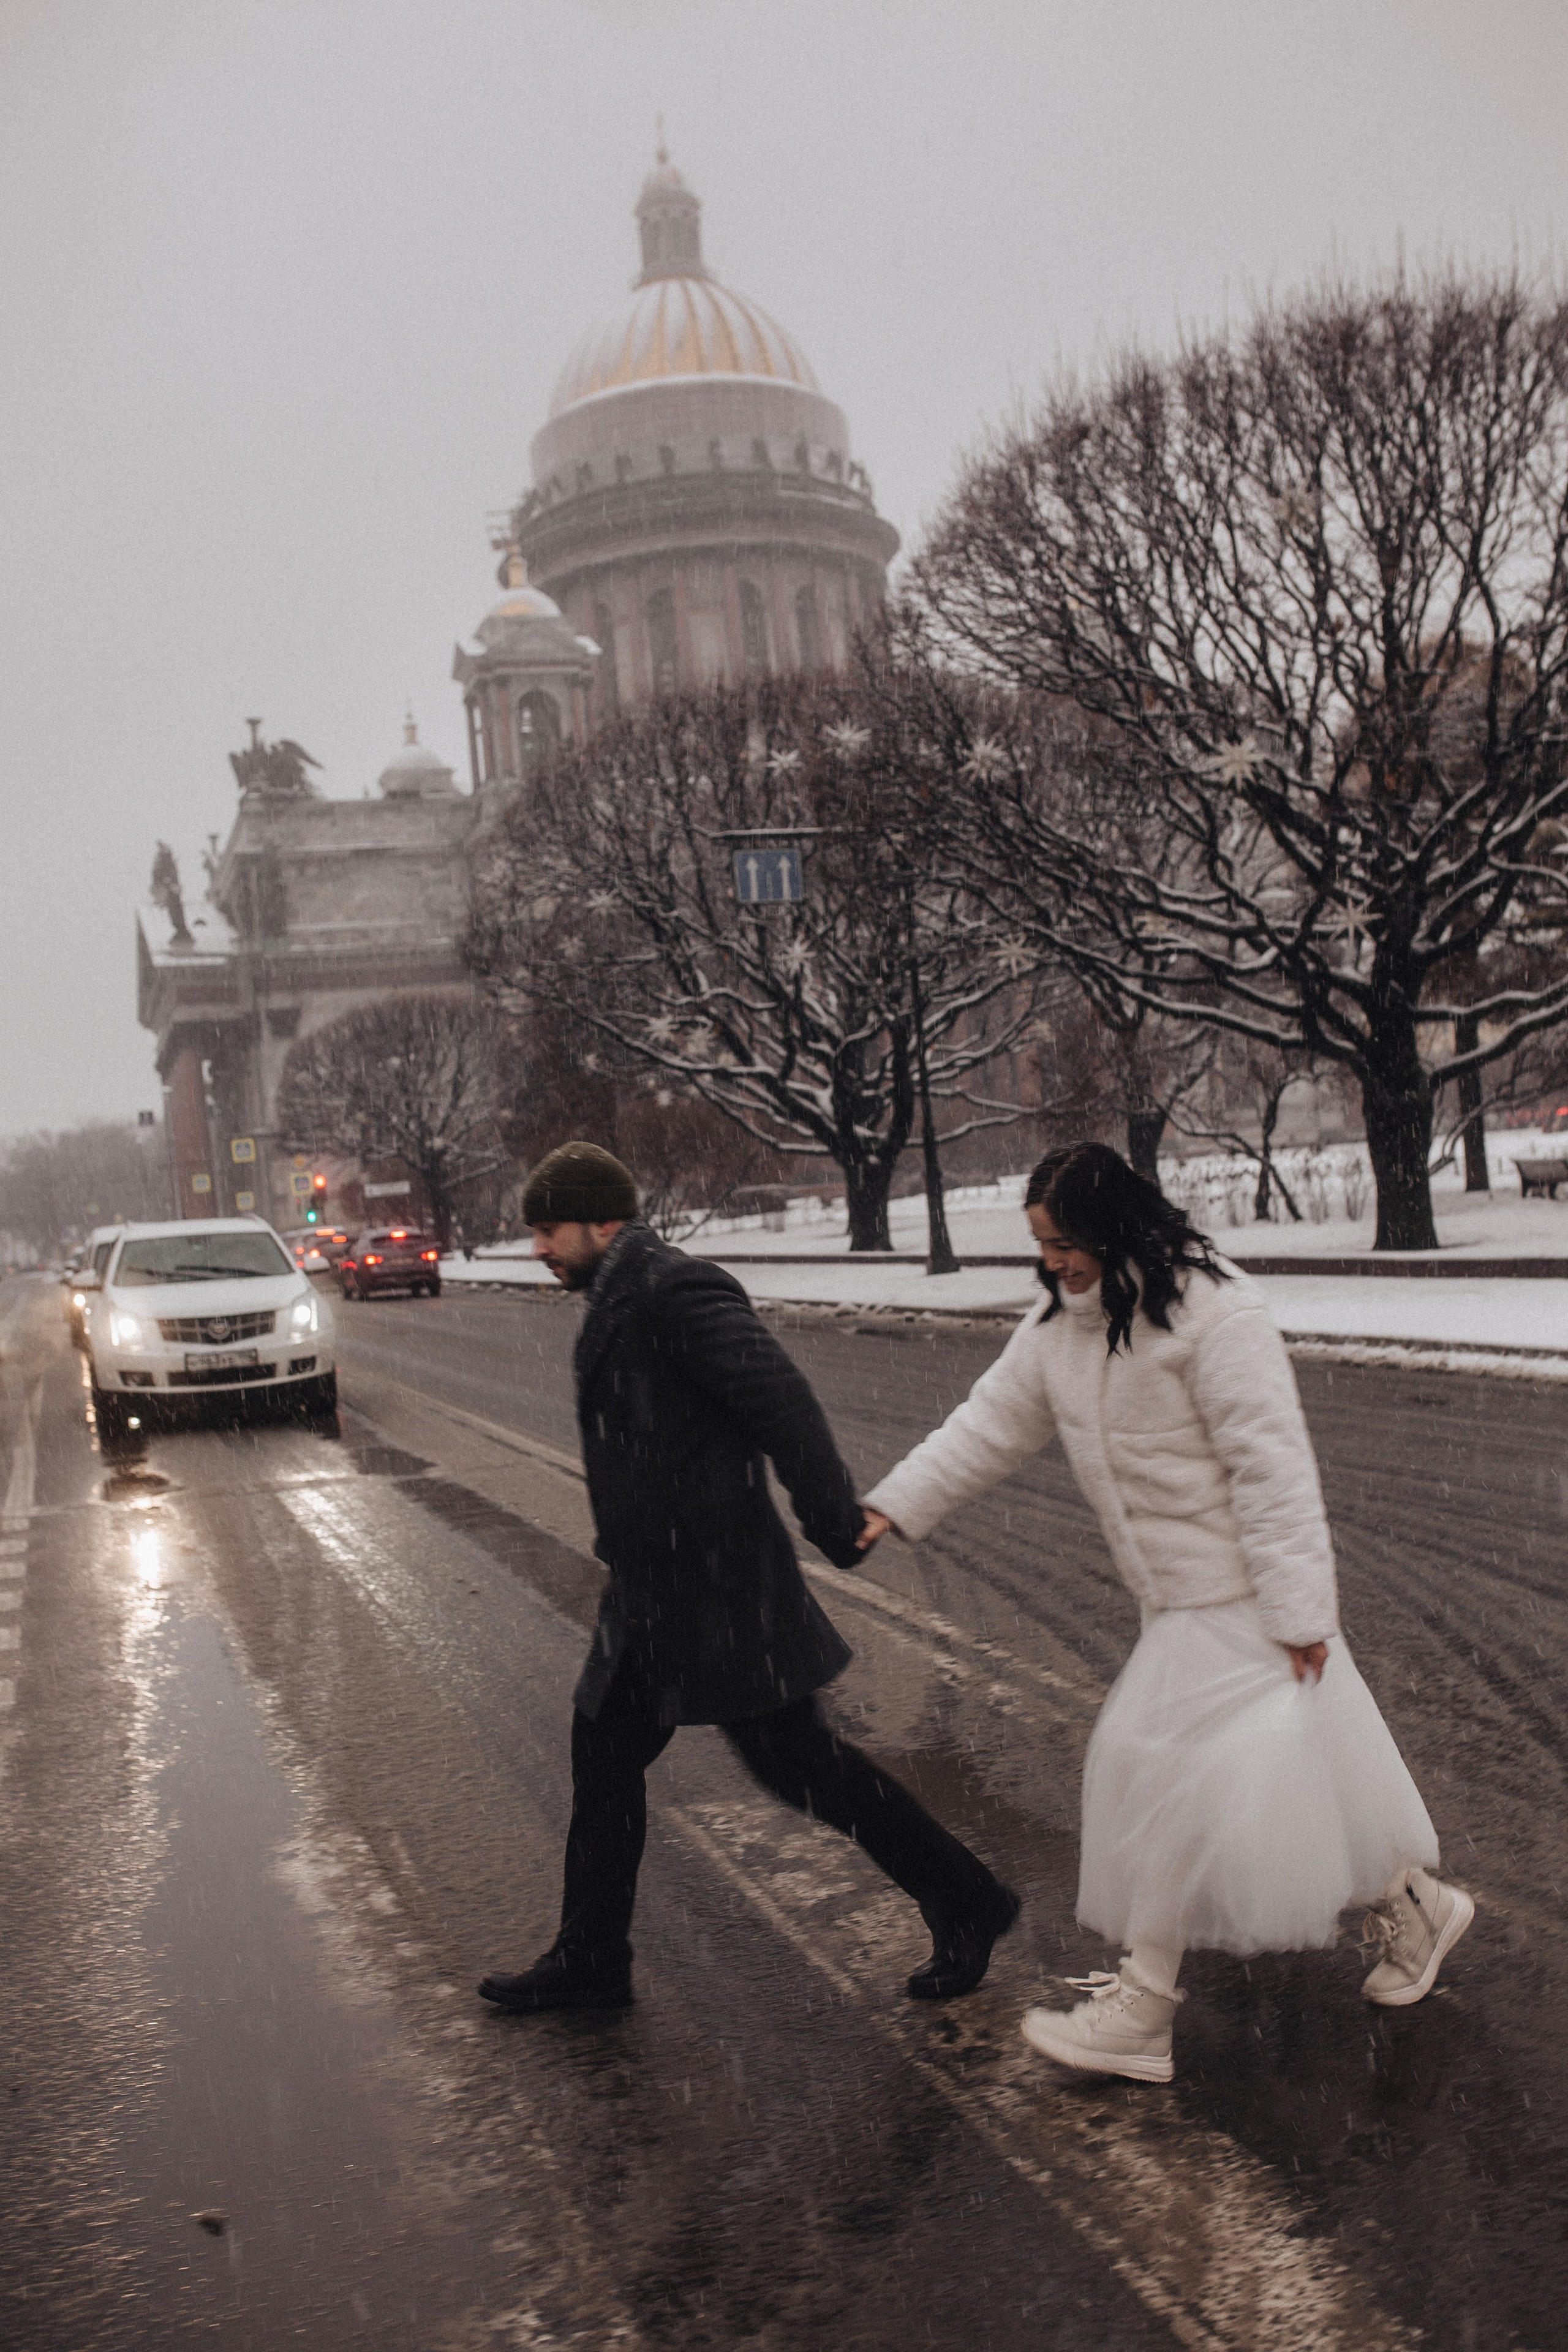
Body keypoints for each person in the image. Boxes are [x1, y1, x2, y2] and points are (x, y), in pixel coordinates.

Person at [857, 1142, 1473, 2085]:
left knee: (1156, 1780)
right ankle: (1418, 1909)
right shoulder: (1063, 1324)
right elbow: (990, 1422)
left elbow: (1272, 1469)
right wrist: (895, 1503)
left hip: (1242, 1605)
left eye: (1064, 1242)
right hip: (1178, 1601)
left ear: (1114, 1226)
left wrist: (1301, 1613)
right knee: (1297, 1788)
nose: (1053, 1261)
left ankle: (1143, 2010)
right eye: (1040, 1245)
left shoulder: (1214, 1313)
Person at [478, 1142, 1019, 2016]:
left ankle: (967, 1899)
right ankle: (591, 1957)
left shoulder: (675, 1289)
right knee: (604, 1755)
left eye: (548, 1230)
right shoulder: (623, 1291)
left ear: (602, 1222)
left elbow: (783, 1402)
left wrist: (835, 1521)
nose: (539, 1249)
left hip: (719, 1592)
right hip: (653, 1594)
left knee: (804, 1769)